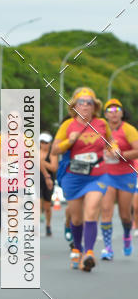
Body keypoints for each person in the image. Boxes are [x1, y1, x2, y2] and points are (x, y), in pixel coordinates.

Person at [52, 87, 111, 271]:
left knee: (92, 210)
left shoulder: (102, 124)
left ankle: (89, 253)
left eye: (89, 102)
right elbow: (55, 150)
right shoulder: (67, 125)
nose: (85, 105)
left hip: (97, 174)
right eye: (81, 102)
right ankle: (77, 248)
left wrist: (114, 148)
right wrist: (69, 141)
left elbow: (110, 141)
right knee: (76, 219)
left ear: (95, 106)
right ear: (75, 106)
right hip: (74, 177)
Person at [99, 98, 138, 259]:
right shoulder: (99, 129)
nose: (113, 113)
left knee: (124, 214)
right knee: (106, 210)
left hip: (126, 174)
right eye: (110, 110)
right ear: (106, 114)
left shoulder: (128, 130)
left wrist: (121, 155)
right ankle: (108, 248)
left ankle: (127, 235)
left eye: (117, 110)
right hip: (106, 175)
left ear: (122, 113)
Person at [39, 132, 58, 236]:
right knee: (36, 202)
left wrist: (42, 162)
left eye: (46, 142)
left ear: (50, 143)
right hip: (35, 179)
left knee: (47, 205)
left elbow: (54, 168)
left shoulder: (52, 154)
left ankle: (48, 225)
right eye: (42, 142)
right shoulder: (35, 152)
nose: (44, 144)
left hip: (49, 180)